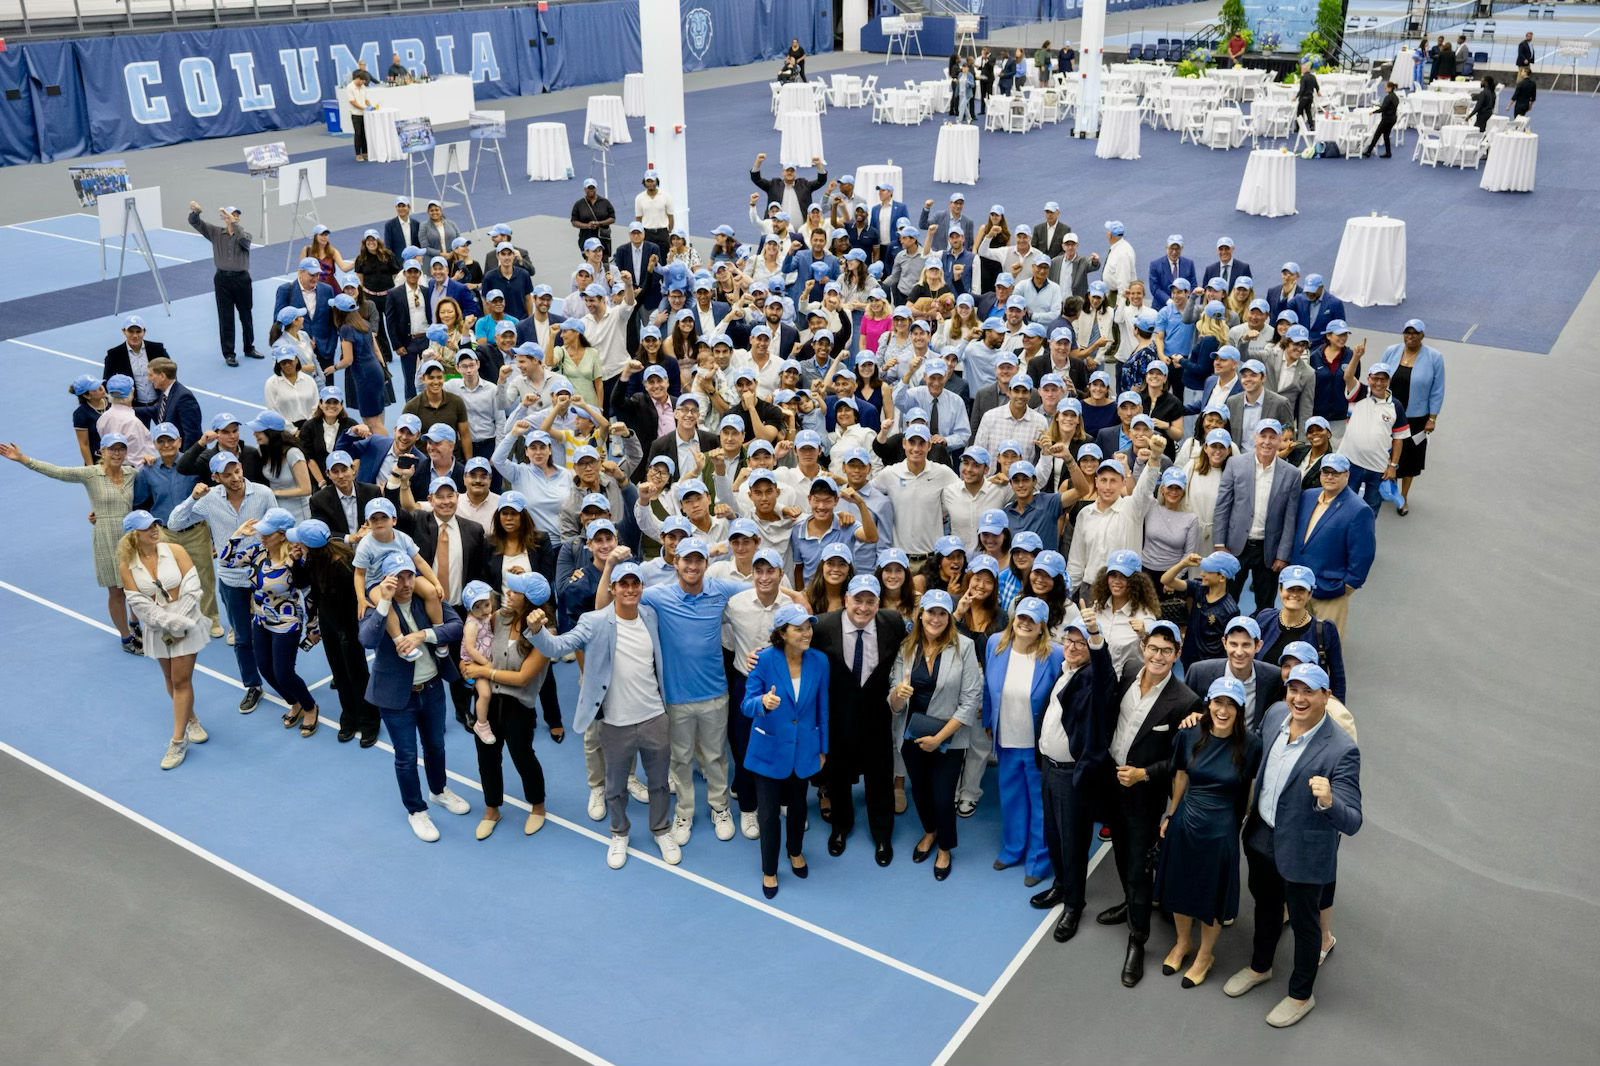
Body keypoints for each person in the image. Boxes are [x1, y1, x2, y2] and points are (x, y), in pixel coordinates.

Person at [1223, 662, 1361, 1028]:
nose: (1299, 699)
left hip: (1304, 850)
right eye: (1293, 690)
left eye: (1309, 692)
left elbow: (1353, 820)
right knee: (1266, 907)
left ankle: (1301, 995)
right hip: (1262, 835)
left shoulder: (1341, 750)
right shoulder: (1273, 716)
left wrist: (1329, 800)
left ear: (1325, 696)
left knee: (1304, 923)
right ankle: (1260, 967)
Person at [527, 561, 681, 868]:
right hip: (614, 722)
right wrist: (536, 630)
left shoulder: (650, 615)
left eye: (635, 583)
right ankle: (619, 832)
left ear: (641, 587)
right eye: (622, 584)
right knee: (614, 786)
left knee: (659, 783)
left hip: (654, 716)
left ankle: (661, 828)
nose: (629, 589)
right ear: (612, 588)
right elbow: (557, 647)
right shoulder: (594, 621)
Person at [1097, 619, 1202, 988]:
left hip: (1143, 793)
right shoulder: (1127, 671)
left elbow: (1180, 761)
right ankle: (1130, 903)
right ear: (1144, 648)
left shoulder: (1186, 701)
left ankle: (1137, 939)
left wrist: (1143, 774)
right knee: (1121, 853)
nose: (1158, 656)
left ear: (1176, 655)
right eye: (1154, 648)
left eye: (1167, 651)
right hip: (1111, 781)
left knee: (1140, 866)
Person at [1156, 675, 1263, 987]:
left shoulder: (1252, 744)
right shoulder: (1189, 733)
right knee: (1179, 885)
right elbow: (1179, 776)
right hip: (1185, 822)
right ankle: (1182, 942)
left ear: (1241, 710)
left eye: (1231, 705)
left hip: (1220, 831)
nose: (1223, 710)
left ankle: (1205, 954)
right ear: (1209, 704)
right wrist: (1171, 815)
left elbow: (1249, 790)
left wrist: (1235, 825)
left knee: (1210, 896)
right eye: (1218, 702)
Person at [359, 554, 473, 841]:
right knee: (406, 757)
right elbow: (367, 640)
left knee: (436, 746)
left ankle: (438, 791)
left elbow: (456, 625)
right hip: (397, 699)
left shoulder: (427, 599)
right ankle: (416, 810)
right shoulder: (378, 608)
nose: (406, 583)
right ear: (387, 581)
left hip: (432, 690)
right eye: (399, 578)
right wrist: (383, 603)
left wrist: (423, 635)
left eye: (410, 576)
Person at [0, 434, 140, 653]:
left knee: (136, 586)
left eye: (121, 449)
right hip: (105, 537)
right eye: (112, 449)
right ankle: (126, 637)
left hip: (131, 537)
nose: (117, 453)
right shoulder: (90, 474)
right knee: (116, 591)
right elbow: (57, 471)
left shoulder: (132, 473)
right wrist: (23, 458)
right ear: (101, 452)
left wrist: (152, 458)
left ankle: (135, 622)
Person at [166, 452, 277, 709]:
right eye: (227, 475)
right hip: (232, 579)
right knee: (242, 636)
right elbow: (174, 522)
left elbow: (279, 526)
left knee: (273, 629)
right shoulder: (208, 500)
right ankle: (252, 685)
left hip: (263, 576)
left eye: (237, 471)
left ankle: (279, 676)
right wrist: (193, 498)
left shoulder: (262, 493)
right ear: (215, 477)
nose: (235, 478)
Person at [889, 590, 981, 880]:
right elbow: (892, 702)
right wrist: (898, 695)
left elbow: (970, 701)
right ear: (921, 614)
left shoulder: (964, 647)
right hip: (911, 736)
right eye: (931, 612)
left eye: (943, 613)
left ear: (949, 617)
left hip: (949, 739)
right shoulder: (906, 647)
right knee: (921, 792)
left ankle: (944, 847)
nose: (936, 618)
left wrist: (939, 738)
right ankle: (929, 832)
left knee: (942, 798)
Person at [810, 575, 902, 864]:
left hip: (878, 717)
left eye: (870, 601)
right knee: (837, 778)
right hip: (838, 718)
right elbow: (793, 646)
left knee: (880, 779)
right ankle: (841, 827)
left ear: (879, 602)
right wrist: (759, 655)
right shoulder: (822, 626)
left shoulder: (894, 624)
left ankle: (883, 835)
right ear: (846, 598)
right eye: (858, 600)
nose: (863, 607)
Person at [741, 602, 829, 897]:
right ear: (782, 632)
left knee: (798, 806)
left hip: (804, 749)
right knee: (767, 814)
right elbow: (746, 704)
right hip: (767, 751)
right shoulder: (764, 660)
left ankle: (795, 851)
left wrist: (823, 748)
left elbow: (822, 709)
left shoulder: (819, 661)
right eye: (799, 628)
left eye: (809, 627)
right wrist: (762, 704)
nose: (807, 633)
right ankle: (769, 869)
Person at [458, 572, 553, 840]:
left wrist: (483, 671)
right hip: (488, 701)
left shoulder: (545, 634)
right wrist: (466, 666)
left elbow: (523, 678)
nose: (507, 594)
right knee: (486, 757)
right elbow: (471, 640)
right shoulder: (498, 617)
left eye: (515, 592)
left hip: (518, 706)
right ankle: (491, 810)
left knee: (522, 757)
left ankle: (537, 806)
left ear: (530, 600)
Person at [118, 510, 211, 769]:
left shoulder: (176, 550)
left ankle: (178, 741)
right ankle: (190, 719)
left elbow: (193, 589)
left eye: (155, 524)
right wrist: (168, 623)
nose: (154, 529)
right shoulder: (126, 565)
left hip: (187, 621)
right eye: (147, 527)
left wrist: (179, 621)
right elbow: (138, 603)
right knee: (170, 678)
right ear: (133, 535)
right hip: (158, 627)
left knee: (181, 680)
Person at [982, 596, 1063, 889]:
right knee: (1011, 797)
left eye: (1032, 620)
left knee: (1040, 803)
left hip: (1037, 745)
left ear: (1042, 627)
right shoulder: (995, 645)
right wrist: (988, 723)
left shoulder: (1055, 655)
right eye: (1021, 617)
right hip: (1006, 739)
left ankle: (1039, 860)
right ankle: (1012, 849)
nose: (1025, 623)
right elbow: (987, 688)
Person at [221, 507, 320, 736]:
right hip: (260, 619)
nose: (261, 536)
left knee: (284, 672)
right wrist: (237, 534)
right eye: (261, 531)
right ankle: (293, 702)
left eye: (268, 533)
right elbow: (226, 561)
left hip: (287, 622)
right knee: (265, 668)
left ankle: (309, 707)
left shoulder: (295, 558)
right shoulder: (257, 551)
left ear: (283, 534)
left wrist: (313, 627)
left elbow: (310, 594)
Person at [290, 519, 381, 746]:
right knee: (339, 673)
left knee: (358, 674)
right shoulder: (314, 557)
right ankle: (348, 716)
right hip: (330, 624)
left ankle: (369, 720)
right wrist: (296, 561)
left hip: (348, 626)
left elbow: (351, 604)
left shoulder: (342, 566)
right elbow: (302, 582)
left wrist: (346, 632)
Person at [1210, 420, 1301, 607]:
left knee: (1265, 604)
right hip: (1235, 548)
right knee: (1227, 600)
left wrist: (1282, 554)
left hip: (1268, 549)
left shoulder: (1292, 474)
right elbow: (1222, 506)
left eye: (1273, 437)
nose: (1267, 442)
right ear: (1255, 438)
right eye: (1263, 436)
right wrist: (1219, 544)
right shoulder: (1235, 464)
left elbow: (1290, 519)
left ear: (1280, 441)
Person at [1289, 454, 1375, 638]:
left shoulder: (1359, 510)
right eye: (1326, 472)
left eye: (1335, 473)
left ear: (1347, 475)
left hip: (1329, 590)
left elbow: (1363, 555)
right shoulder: (1308, 496)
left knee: (1325, 648)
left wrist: (1346, 586)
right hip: (1298, 586)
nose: (1329, 477)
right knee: (1294, 642)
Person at [1255, 565, 1345, 701]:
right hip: (1263, 704)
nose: (1295, 594)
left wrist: (1337, 710)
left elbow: (1337, 677)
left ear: (1310, 594)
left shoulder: (1324, 629)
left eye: (1301, 590)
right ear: (1280, 590)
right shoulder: (1264, 619)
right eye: (1290, 588)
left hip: (1303, 706)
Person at [1383, 319, 1444, 516]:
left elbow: (1437, 390)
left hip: (1416, 418)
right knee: (1385, 453)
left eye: (1415, 333)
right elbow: (1379, 378)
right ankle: (1387, 489)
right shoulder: (1391, 351)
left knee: (1410, 459)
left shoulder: (1435, 357)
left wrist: (1432, 418)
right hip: (1389, 414)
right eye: (1407, 332)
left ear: (1422, 335)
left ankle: (1403, 496)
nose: (1410, 336)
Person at [1183, 615, 1285, 732]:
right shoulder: (1199, 673)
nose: (1239, 652)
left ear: (1258, 646)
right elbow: (1185, 714)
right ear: (1224, 643)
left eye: (1246, 645)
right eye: (1233, 644)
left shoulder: (1273, 677)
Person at [187, 201, 259, 367]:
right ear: (223, 217)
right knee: (225, 317)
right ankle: (229, 353)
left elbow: (243, 241)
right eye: (230, 214)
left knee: (246, 315)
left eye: (236, 215)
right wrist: (196, 212)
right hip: (222, 280)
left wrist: (232, 223)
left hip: (242, 279)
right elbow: (195, 223)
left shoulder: (245, 234)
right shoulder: (215, 232)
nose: (234, 217)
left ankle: (249, 348)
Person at [1337, 360, 1409, 514]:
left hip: (1378, 470)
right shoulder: (1358, 394)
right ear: (1368, 378)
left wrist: (1393, 466)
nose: (1378, 383)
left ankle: (1365, 535)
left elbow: (1398, 438)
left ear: (1389, 381)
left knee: (1371, 508)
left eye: (1383, 379)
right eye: (1375, 378)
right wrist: (1356, 356)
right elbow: (1347, 376)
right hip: (1351, 463)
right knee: (1344, 505)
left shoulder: (1396, 406)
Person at [570, 179, 616, 255]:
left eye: (593, 188)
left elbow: (612, 218)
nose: (591, 190)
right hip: (586, 235)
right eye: (589, 188)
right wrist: (587, 226)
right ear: (584, 189)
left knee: (604, 258)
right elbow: (574, 221)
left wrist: (600, 223)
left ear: (595, 188)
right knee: (589, 258)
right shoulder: (579, 204)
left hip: (602, 236)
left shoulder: (605, 202)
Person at [1362, 81, 1400, 158]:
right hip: (1393, 119)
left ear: (1389, 88)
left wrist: (1373, 112)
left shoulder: (1388, 97)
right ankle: (1388, 152)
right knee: (1386, 135)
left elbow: (1383, 108)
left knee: (1377, 135)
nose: (1384, 89)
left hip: (1386, 119)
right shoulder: (1396, 97)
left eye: (1385, 87)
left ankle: (1369, 152)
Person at [1295, 60, 1318, 133]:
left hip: (1304, 97)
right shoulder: (1313, 77)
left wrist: (1296, 96)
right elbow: (1316, 86)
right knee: (1308, 112)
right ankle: (1311, 125)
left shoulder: (1303, 78)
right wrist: (1318, 91)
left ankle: (1298, 127)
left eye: (1302, 68)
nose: (1301, 70)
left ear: (1304, 69)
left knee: (1299, 112)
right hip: (1310, 97)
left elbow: (1302, 89)